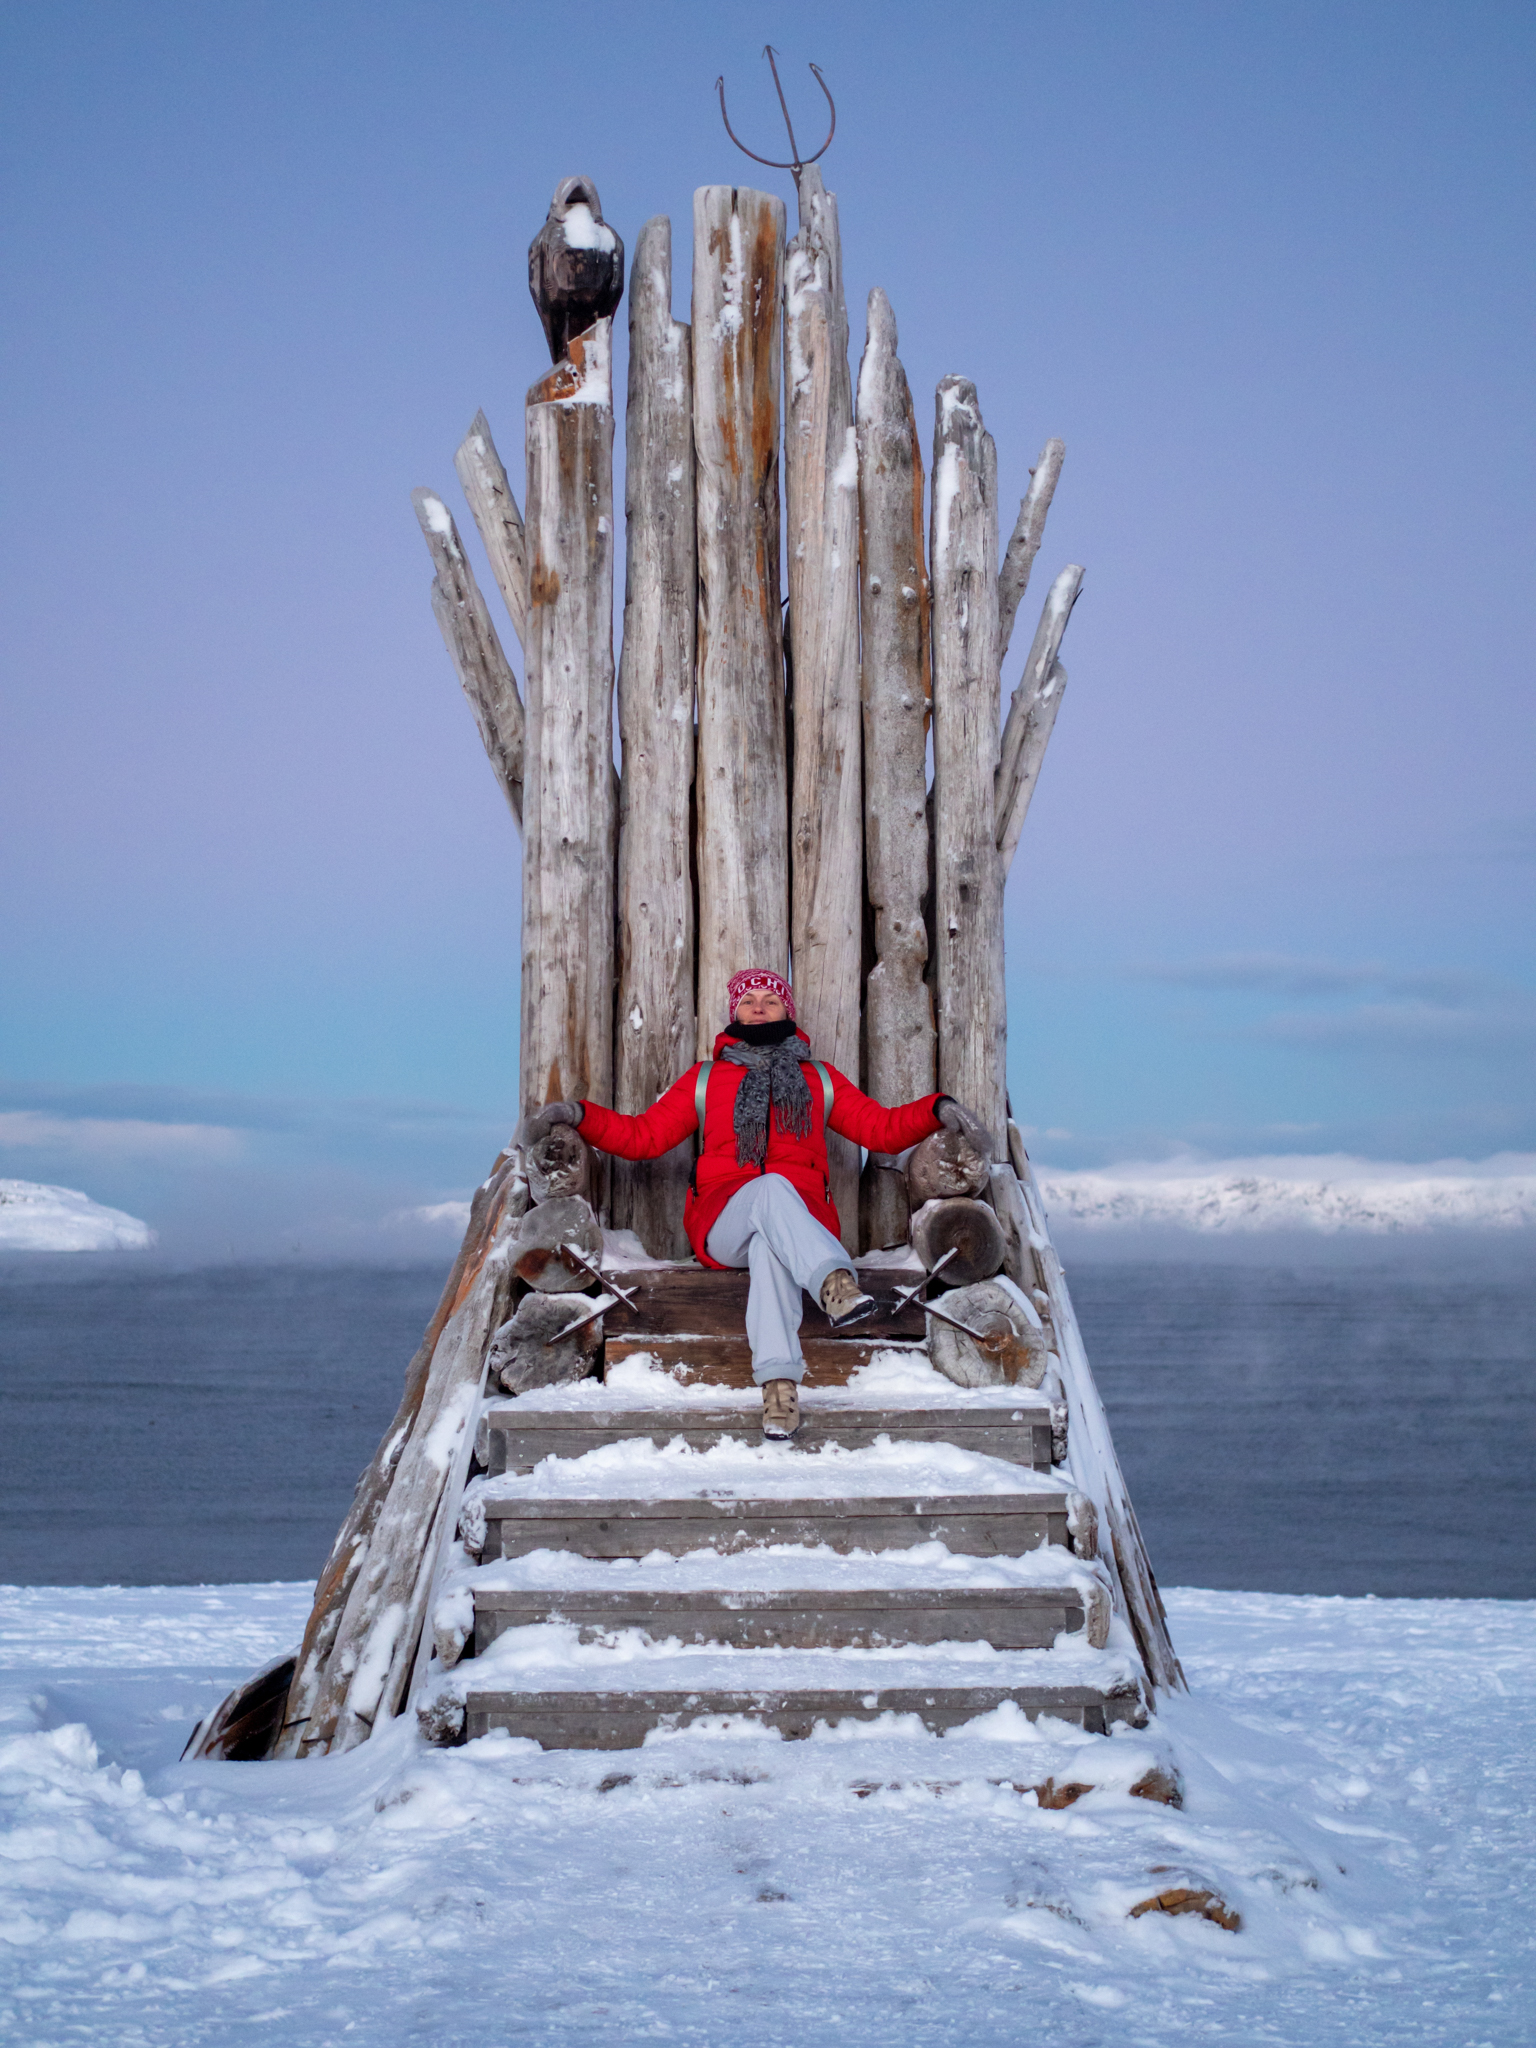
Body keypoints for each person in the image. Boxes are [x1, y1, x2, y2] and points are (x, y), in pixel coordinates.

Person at [517, 968, 993, 1440]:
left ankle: (779, 1388)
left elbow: (881, 1129)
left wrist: (938, 1108)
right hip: (724, 1224)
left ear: (788, 1010)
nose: (760, 1006)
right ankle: (833, 1283)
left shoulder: (820, 1080)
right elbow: (643, 1136)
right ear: (735, 1014)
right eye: (749, 1001)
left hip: (796, 1230)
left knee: (771, 1246)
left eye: (771, 998)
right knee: (771, 1189)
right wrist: (578, 1113)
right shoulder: (705, 1080)